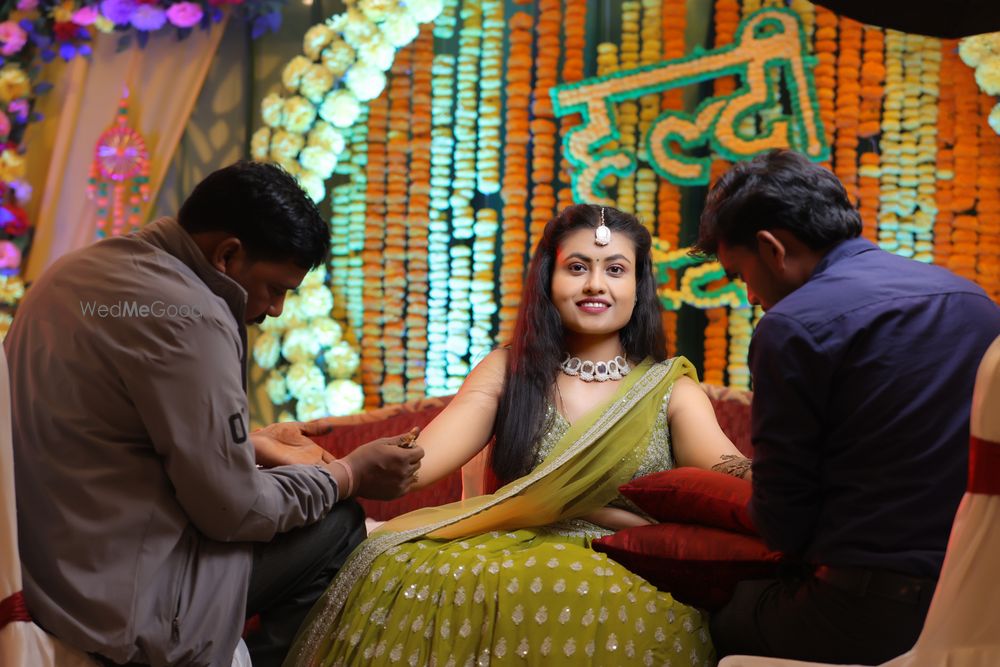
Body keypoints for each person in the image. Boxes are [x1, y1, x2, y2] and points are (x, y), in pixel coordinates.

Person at [285, 204, 750, 666]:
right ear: (548, 280)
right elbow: (416, 466)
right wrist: (313, 459)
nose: (595, 284)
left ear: (637, 286)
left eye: (615, 269)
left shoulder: (670, 390)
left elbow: (728, 483)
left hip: (626, 569)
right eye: (576, 267)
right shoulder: (508, 371)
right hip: (506, 558)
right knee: (414, 571)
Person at [4, 161, 424, 667]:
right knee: (337, 526)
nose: (276, 310)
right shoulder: (189, 315)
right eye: (276, 288)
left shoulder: (70, 273)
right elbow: (232, 510)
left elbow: (116, 437)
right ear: (227, 254)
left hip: (42, 578)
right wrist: (348, 474)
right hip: (119, 611)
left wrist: (251, 446)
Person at [697, 149, 1000, 664]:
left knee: (708, 618)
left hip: (870, 613)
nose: (749, 296)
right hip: (981, 606)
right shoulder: (973, 301)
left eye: (739, 274)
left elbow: (783, 523)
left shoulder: (792, 327)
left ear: (772, 249)